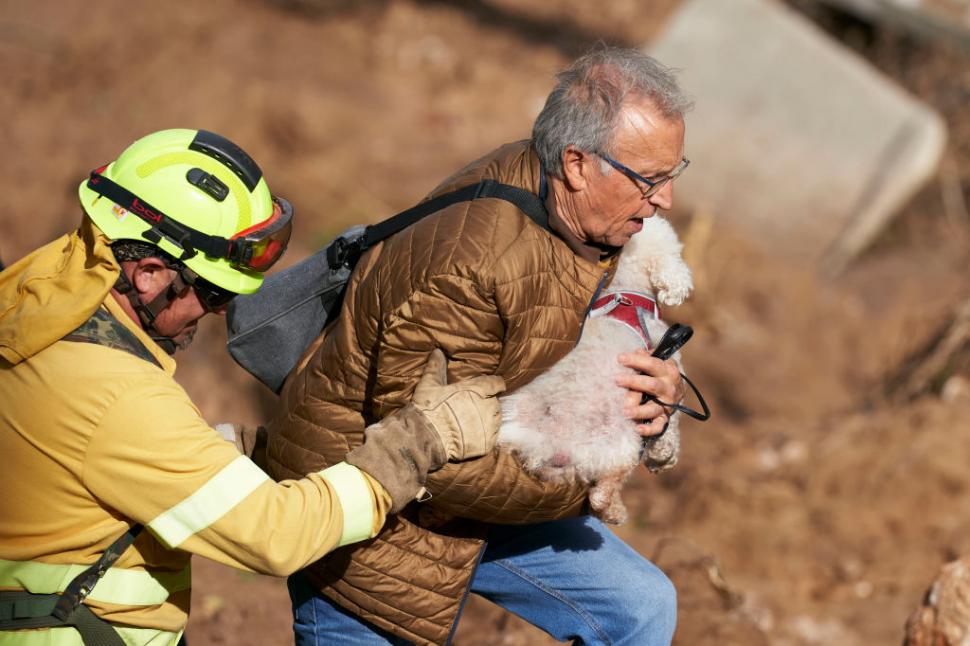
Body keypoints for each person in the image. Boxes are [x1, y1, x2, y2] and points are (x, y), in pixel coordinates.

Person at [0, 128, 505, 646]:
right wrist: (414, 445)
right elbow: (276, 536)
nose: (221, 309)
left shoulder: (34, 300)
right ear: (149, 272)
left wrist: (227, 453)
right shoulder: (117, 396)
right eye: (214, 289)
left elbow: (78, 456)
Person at [269, 46, 692, 646]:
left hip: (483, 493)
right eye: (650, 180)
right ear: (576, 163)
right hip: (376, 511)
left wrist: (655, 397)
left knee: (641, 608)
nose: (665, 202)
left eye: (673, 175)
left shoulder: (585, 219)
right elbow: (429, 458)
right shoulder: (469, 264)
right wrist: (592, 467)